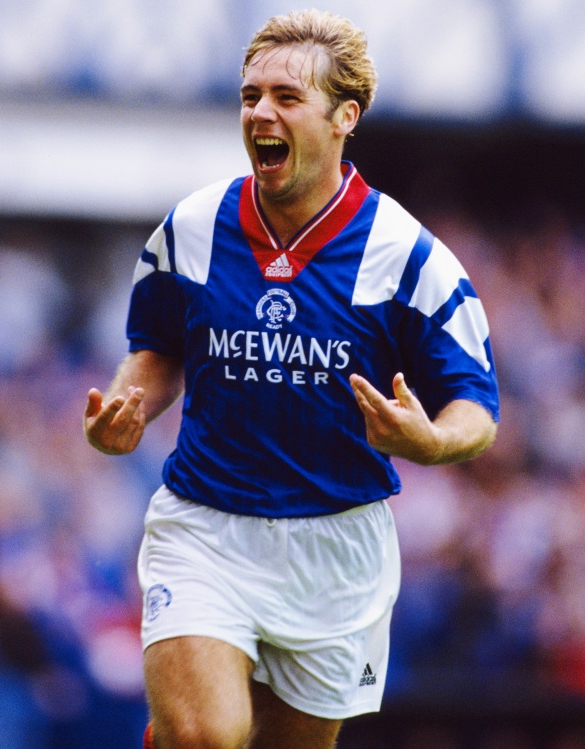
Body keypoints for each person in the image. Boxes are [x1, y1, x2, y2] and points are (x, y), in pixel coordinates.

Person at [84, 9, 499, 749]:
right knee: (206, 735)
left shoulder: (407, 255)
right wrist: (129, 406)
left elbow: (476, 404)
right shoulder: (193, 226)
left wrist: (431, 441)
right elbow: (157, 345)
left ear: (344, 117)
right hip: (205, 523)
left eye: (285, 96)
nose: (260, 113)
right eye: (251, 96)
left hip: (336, 549)